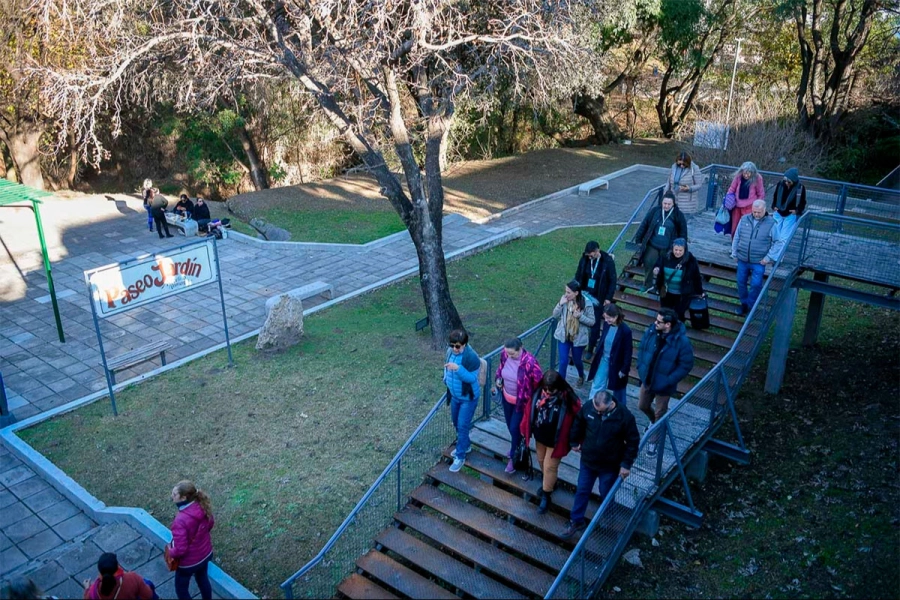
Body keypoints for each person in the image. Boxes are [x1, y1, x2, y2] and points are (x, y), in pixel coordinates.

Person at [562, 389, 639, 538]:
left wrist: (626, 464)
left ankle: (609, 523)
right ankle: (576, 520)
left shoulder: (625, 417)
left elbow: (633, 442)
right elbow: (578, 422)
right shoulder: (589, 407)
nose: (599, 414)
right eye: (597, 411)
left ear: (611, 404)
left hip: (609, 466)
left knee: (607, 494)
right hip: (588, 461)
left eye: (602, 411)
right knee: (582, 491)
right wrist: (574, 441)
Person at [521, 370, 581, 514]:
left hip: (557, 441)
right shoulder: (538, 393)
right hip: (540, 437)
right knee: (541, 461)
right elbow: (528, 411)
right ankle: (550, 483)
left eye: (551, 389)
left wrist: (576, 440)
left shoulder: (568, 399)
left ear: (559, 386)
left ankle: (546, 495)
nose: (547, 392)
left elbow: (579, 419)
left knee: (549, 467)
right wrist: (525, 429)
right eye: (545, 388)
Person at [636, 308, 694, 455]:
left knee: (660, 412)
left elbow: (686, 364)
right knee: (642, 405)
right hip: (648, 379)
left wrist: (669, 380)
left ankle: (653, 441)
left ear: (668, 324)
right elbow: (642, 348)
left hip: (664, 385)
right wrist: (641, 368)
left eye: (659, 321)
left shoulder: (681, 342)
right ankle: (654, 423)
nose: (655, 323)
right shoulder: (652, 331)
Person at [494, 337, 543, 473]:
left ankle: (514, 457)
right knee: (511, 426)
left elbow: (539, 382)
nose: (509, 356)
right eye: (507, 353)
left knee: (515, 428)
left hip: (521, 403)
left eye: (512, 354)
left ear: (520, 349)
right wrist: (498, 379)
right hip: (506, 398)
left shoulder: (530, 363)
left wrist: (536, 399)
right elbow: (500, 369)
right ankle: (518, 443)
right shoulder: (504, 355)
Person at [731, 200, 784, 316]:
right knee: (740, 282)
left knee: (756, 284)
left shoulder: (771, 223)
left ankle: (750, 305)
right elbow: (737, 236)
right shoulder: (744, 219)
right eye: (754, 212)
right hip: (742, 258)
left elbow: (778, 242)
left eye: (759, 212)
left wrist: (768, 257)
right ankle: (744, 304)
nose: (756, 214)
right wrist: (734, 253)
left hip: (759, 261)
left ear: (764, 210)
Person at [168, 480, 215, 600]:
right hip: (205, 554)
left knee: (181, 589)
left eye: (174, 495)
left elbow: (181, 550)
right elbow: (210, 523)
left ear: (183, 498)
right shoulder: (202, 506)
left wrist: (170, 551)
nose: (171, 496)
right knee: (203, 580)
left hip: (189, 563)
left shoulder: (180, 521)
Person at [444, 329, 482, 473]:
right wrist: (446, 378)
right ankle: (465, 445)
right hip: (455, 396)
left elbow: (472, 378)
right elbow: (447, 368)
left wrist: (458, 369)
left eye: (458, 346)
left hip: (468, 398)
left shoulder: (471, 358)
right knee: (456, 423)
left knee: (462, 425)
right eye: (452, 345)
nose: (454, 348)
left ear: (465, 345)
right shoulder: (450, 353)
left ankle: (460, 456)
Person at [635, 192, 688, 291]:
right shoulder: (655, 211)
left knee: (665, 267)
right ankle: (648, 284)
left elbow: (683, 231)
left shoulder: (678, 215)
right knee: (648, 261)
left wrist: (682, 246)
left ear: (673, 204)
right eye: (665, 203)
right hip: (653, 244)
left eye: (669, 204)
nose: (666, 206)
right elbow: (645, 224)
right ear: (662, 202)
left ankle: (661, 286)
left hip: (668, 246)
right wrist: (639, 238)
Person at [574, 241, 617, 362]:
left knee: (594, 324)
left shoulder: (607, 262)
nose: (589, 256)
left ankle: (590, 348)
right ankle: (577, 345)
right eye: (588, 254)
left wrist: (608, 298)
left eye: (591, 254)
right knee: (579, 319)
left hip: (599, 298)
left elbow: (612, 281)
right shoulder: (585, 259)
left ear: (597, 251)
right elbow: (578, 275)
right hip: (584, 295)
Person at [587, 303, 633, 406]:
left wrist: (624, 369)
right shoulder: (607, 325)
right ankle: (592, 405)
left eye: (609, 318)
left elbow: (627, 352)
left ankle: (620, 410)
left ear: (616, 316)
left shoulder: (625, 331)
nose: (607, 320)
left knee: (618, 389)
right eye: (605, 317)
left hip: (617, 363)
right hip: (604, 359)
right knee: (597, 383)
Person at [552, 280, 595, 385]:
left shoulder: (587, 303)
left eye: (568, 292)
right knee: (563, 361)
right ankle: (561, 385)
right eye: (565, 291)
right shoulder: (564, 300)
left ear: (576, 293)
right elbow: (555, 315)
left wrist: (580, 316)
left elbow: (592, 322)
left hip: (578, 338)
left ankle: (581, 375)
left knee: (577, 360)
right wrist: (560, 304)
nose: (566, 294)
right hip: (564, 336)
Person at [652, 238, 704, 322]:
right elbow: (658, 265)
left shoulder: (690, 260)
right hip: (666, 292)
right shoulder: (665, 256)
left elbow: (696, 277)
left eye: (680, 250)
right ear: (672, 249)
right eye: (676, 250)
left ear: (685, 250)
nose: (678, 252)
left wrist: (700, 292)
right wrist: (656, 269)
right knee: (665, 312)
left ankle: (677, 329)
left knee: (679, 314)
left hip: (682, 294)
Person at [83, 552, 155, 600]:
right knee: (147, 582)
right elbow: (148, 595)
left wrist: (87, 588)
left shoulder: (94, 590)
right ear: (118, 566)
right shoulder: (132, 578)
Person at [770, 167, 806, 250]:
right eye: (785, 181)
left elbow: (803, 202)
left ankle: (779, 257)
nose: (787, 183)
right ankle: (771, 254)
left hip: (790, 214)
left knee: (784, 237)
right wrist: (774, 206)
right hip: (778, 212)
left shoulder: (800, 188)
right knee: (774, 234)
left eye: (789, 182)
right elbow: (775, 196)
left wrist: (797, 211)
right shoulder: (780, 184)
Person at [726, 162, 765, 237]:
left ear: (752, 172)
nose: (746, 175)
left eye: (748, 173)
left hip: (750, 206)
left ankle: (744, 241)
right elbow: (732, 188)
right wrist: (728, 198)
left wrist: (759, 205)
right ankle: (734, 241)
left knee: (746, 226)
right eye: (744, 173)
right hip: (737, 206)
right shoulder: (738, 176)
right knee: (735, 225)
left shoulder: (757, 178)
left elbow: (760, 193)